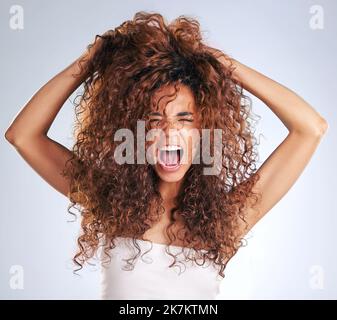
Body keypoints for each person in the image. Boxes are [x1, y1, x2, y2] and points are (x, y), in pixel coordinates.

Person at [4, 11, 328, 300]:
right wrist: (89, 62)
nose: (169, 133)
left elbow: (310, 127)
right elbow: (22, 136)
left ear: (204, 130)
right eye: (155, 120)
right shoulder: (109, 200)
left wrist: (220, 64)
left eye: (184, 119)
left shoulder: (227, 218)